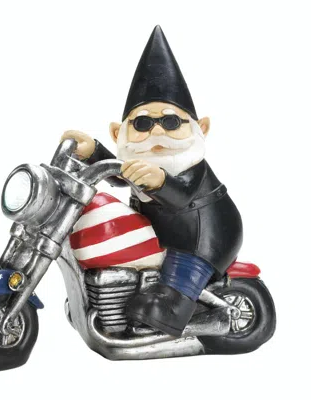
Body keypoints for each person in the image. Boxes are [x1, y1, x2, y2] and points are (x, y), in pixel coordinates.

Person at [61, 25, 243, 337]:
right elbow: (119, 175)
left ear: (201, 128)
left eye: (171, 122)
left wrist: (160, 181)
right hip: (156, 235)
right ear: (118, 133)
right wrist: (92, 153)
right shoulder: (138, 161)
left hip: (200, 239)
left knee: (159, 309)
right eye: (142, 123)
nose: (157, 131)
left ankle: (194, 318)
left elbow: (181, 195)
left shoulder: (190, 164)